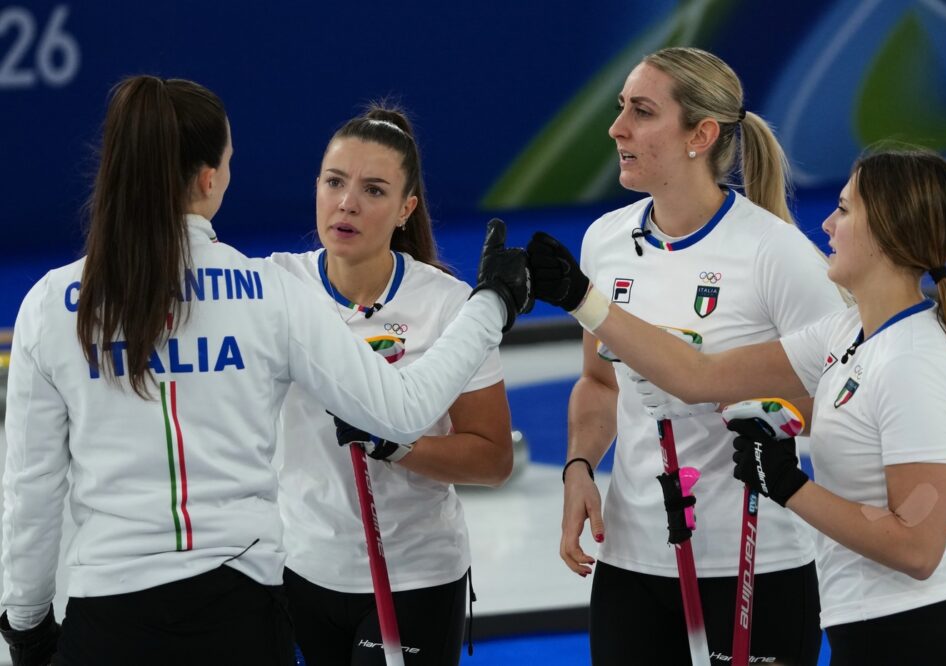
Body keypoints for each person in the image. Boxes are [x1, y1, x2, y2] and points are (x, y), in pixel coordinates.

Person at [0, 76, 530, 666]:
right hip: (242, 611)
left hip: (108, 616)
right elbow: (403, 409)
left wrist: (25, 625)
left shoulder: (49, 303)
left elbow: (30, 492)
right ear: (208, 178)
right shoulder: (269, 290)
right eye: (228, 161)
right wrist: (492, 307)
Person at [529, 147, 946, 665]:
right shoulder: (847, 331)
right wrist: (581, 296)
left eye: (844, 209)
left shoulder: (912, 361)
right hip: (866, 631)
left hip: (923, 636)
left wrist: (788, 484)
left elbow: (916, 548)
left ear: (886, 230)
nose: (826, 223)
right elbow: (699, 375)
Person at [545, 46, 845, 665]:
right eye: (620, 107)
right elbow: (599, 384)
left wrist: (758, 405)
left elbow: (843, 404)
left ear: (700, 135)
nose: (617, 127)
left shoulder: (777, 255)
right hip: (631, 562)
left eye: (642, 111)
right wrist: (579, 466)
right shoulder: (604, 242)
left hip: (754, 565)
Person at [269, 106, 512, 665]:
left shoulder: (447, 306)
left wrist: (397, 446)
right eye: (334, 182)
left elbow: (493, 459)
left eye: (373, 190)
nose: (347, 202)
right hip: (299, 567)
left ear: (406, 208)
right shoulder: (277, 285)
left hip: (413, 577)